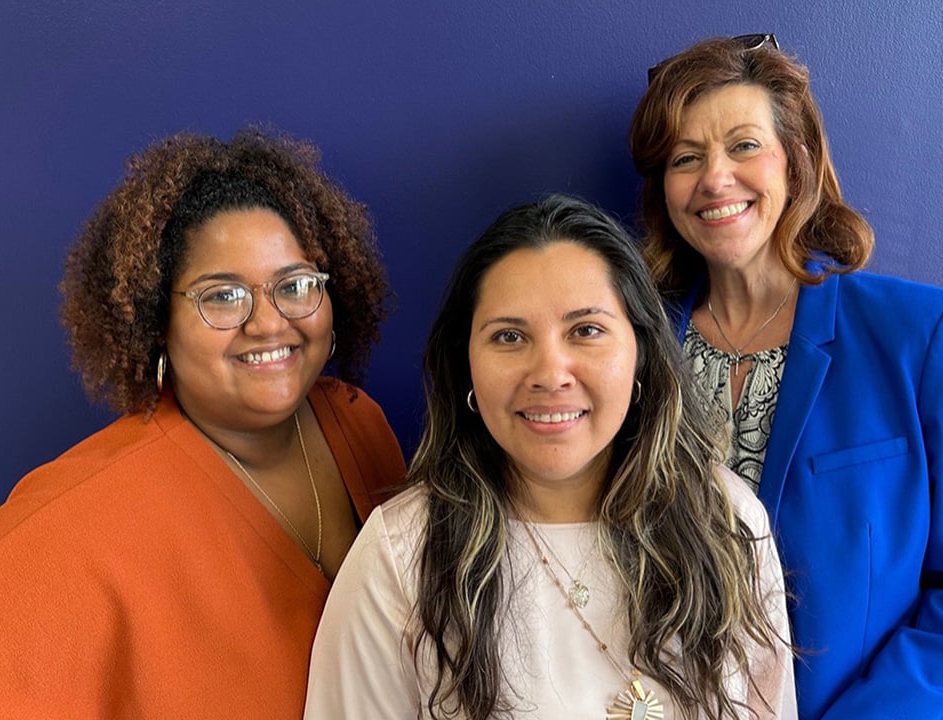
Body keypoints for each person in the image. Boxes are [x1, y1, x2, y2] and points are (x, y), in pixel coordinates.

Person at [0, 129, 406, 719]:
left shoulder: (356, 424)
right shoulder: (98, 505)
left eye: (294, 285)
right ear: (155, 322)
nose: (269, 323)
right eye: (222, 296)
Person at [626, 35, 943, 719]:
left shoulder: (923, 334)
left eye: (744, 146)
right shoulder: (632, 350)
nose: (714, 178)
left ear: (797, 161)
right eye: (685, 157)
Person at [305, 194, 796, 719]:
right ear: (466, 365)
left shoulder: (728, 523)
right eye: (509, 336)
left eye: (586, 330)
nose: (550, 373)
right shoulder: (402, 557)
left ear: (641, 354)